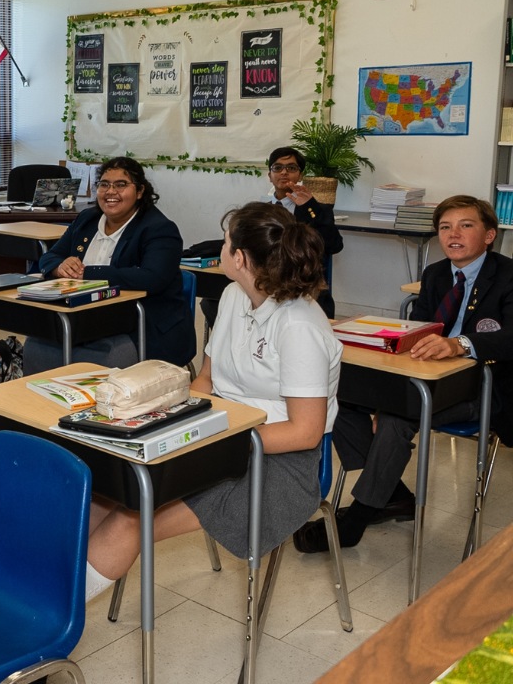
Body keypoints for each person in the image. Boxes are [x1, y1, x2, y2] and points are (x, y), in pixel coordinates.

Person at [84, 202, 340, 602]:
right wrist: (166, 424)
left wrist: (213, 440)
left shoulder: (299, 325)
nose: (220, 250)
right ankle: (43, 601)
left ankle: (44, 634)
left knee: (130, 519)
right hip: (219, 437)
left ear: (239, 257)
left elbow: (305, 433)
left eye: (224, 243)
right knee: (99, 498)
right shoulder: (235, 296)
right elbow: (205, 380)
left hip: (275, 464)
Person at [295, 194, 513, 554]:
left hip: (483, 389)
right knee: (341, 400)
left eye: (466, 225)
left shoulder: (507, 275)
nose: (453, 234)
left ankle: (357, 519)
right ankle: (393, 494)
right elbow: (416, 333)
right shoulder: (436, 274)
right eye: (445, 227)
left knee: (398, 417)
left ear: (489, 235)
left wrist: (461, 344)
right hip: (426, 380)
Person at [27, 157, 194, 373]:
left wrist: (88, 274)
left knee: (106, 355)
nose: (110, 192)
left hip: (143, 327)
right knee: (36, 345)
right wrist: (59, 267)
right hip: (85, 319)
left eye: (121, 185)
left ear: (140, 191)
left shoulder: (159, 229)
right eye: (104, 184)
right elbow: (51, 256)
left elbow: (152, 278)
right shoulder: (87, 219)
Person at [201, 146, 344, 326]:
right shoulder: (260, 210)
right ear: (269, 175)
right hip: (262, 283)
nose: (284, 173)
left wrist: (310, 206)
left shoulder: (316, 210)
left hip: (298, 286)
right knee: (212, 301)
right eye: (278, 168)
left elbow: (335, 245)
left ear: (300, 175)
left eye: (291, 168)